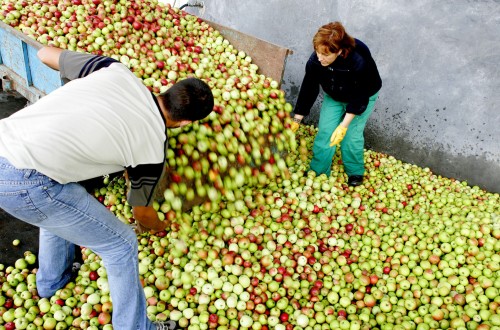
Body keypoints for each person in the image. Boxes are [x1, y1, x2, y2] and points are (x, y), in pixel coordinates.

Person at [0, 46, 214, 330]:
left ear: (168, 89)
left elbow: (43, 55)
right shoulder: (152, 147)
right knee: (122, 244)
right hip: (25, 182)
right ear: (186, 122)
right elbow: (141, 212)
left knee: (57, 205)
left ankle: (52, 284)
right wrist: (161, 226)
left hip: (7, 142)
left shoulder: (116, 71)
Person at [291, 21, 382, 186]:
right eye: (317, 52)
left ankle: (355, 171)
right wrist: (297, 119)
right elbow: (308, 88)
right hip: (335, 95)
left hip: (362, 95)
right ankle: (318, 171)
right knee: (325, 132)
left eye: (325, 55)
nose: (320, 58)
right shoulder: (316, 61)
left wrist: (343, 126)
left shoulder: (358, 59)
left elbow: (361, 95)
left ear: (339, 51)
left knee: (350, 136)